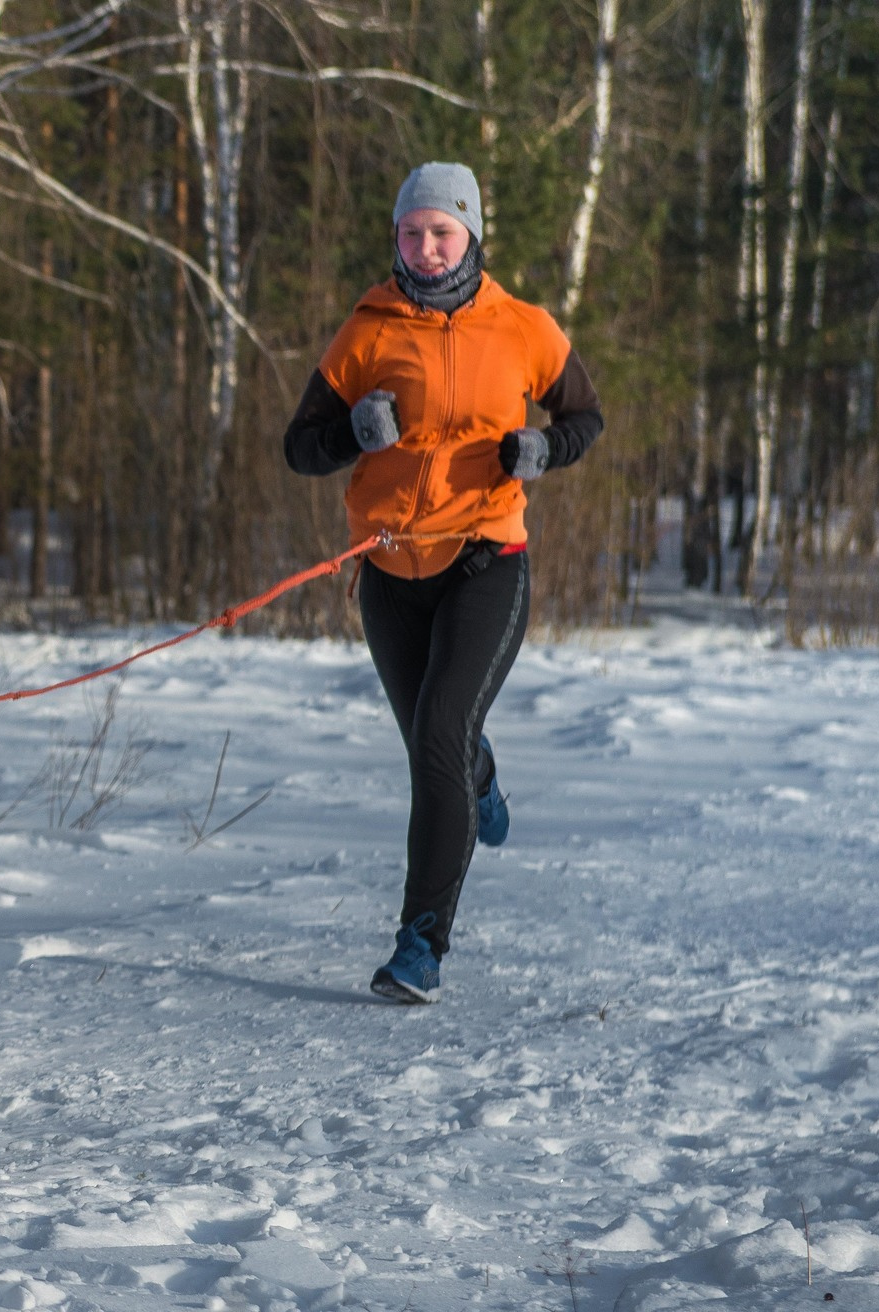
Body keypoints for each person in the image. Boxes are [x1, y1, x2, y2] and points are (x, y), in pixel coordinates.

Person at [281, 163, 604, 1004]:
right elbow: (301, 445)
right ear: (396, 238)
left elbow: (584, 418)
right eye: (411, 233)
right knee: (440, 745)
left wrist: (543, 449)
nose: (425, 249)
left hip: (485, 561)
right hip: (389, 572)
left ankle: (420, 945)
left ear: (471, 236)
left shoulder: (522, 327)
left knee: (436, 740)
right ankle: (483, 776)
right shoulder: (367, 328)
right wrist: (353, 430)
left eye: (442, 233)